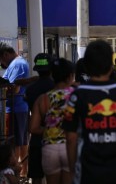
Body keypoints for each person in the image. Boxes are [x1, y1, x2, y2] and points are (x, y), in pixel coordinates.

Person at [62, 40, 116, 184]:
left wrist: (74, 171)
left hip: (89, 173)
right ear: (111, 66)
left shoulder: (76, 96)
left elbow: (71, 139)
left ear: (86, 65)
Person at [30, 58, 75, 184]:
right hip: (70, 146)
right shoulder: (77, 95)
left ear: (52, 75)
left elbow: (33, 128)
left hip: (50, 148)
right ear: (70, 76)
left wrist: (52, 130)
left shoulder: (43, 99)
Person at [24, 53, 55, 184]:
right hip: (55, 138)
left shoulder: (30, 89)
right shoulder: (56, 88)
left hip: (37, 138)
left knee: (36, 175)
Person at [0, 43, 29, 177]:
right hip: (16, 109)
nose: (2, 64)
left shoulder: (17, 65)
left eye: (1, 60)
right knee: (20, 141)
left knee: (15, 143)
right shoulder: (16, 64)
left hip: (15, 109)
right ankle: (22, 172)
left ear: (5, 55)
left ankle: (16, 173)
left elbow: (13, 88)